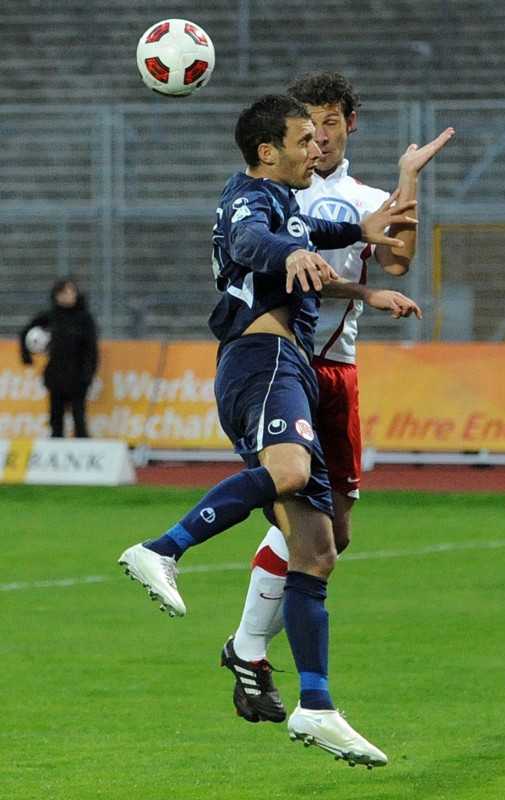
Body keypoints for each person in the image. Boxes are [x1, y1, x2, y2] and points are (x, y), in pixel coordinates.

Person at [119, 92, 421, 768]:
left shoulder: (285, 203)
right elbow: (254, 241)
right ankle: (161, 549)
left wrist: (360, 239)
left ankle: (317, 706)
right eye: (303, 139)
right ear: (267, 151)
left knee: (318, 550)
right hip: (263, 361)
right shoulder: (248, 200)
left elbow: (312, 237)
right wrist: (290, 252)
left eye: (320, 137)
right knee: (288, 473)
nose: (316, 149)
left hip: (288, 369)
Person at [221, 72, 454, 726]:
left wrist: (408, 178)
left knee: (336, 535)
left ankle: (245, 645)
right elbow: (271, 262)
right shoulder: (279, 189)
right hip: (281, 362)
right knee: (297, 518)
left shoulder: (366, 197)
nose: (319, 137)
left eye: (330, 122)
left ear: (350, 123)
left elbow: (399, 260)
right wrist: (359, 287)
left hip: (339, 369)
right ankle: (248, 646)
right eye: (309, 125)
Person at [19, 278, 99, 438]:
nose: (68, 296)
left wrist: (89, 373)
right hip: (56, 374)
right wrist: (26, 355)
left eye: (71, 292)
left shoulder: (84, 319)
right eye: (64, 293)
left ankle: (82, 447)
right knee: (56, 417)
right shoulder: (51, 316)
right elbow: (26, 331)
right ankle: (56, 445)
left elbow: (91, 348)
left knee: (79, 417)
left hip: (77, 375)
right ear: (57, 296)